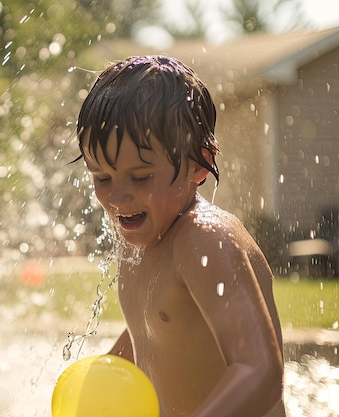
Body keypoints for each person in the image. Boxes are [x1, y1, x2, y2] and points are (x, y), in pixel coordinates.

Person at [75, 56, 285, 417]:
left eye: (140, 177)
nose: (117, 197)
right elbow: (155, 331)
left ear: (200, 164)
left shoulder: (205, 240)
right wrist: (104, 382)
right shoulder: (143, 238)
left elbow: (259, 371)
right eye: (102, 177)